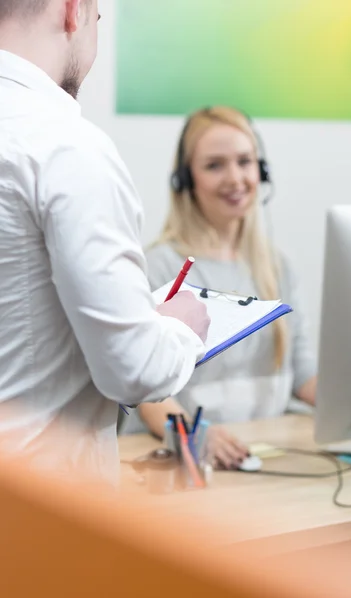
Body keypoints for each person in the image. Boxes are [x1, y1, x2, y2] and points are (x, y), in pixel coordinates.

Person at [0, 0, 210, 483]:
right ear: (74, 10)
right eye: (98, 20)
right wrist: (180, 330)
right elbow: (132, 370)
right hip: (42, 512)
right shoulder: (67, 147)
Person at [120, 106, 317, 470]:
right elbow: (142, 386)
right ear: (185, 180)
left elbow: (303, 374)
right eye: (214, 165)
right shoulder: (160, 266)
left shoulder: (277, 266)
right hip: (189, 459)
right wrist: (194, 434)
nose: (235, 178)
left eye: (245, 161)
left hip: (262, 453)